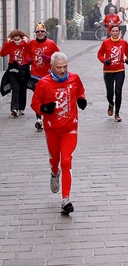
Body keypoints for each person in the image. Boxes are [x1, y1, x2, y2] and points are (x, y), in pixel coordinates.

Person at [30, 52, 87, 214]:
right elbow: (35, 103)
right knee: (55, 160)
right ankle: (54, 173)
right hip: (52, 129)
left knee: (66, 160)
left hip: (70, 128)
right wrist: (44, 109)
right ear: (51, 68)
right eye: (59, 68)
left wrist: (81, 99)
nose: (62, 71)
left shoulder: (74, 78)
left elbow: (81, 91)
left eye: (65, 67)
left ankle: (65, 200)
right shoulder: (43, 83)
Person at [27, 22, 60, 130]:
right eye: (38, 32)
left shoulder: (51, 43)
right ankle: (39, 120)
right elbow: (26, 52)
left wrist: (50, 58)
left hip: (47, 76)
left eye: (42, 31)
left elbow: (58, 56)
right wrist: (28, 59)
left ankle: (50, 116)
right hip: (35, 76)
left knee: (48, 98)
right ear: (35, 33)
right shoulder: (31, 43)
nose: (40, 33)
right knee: (38, 98)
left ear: (45, 33)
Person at [97, 25, 128, 122]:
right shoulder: (106, 42)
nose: (115, 33)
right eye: (113, 31)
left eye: (117, 31)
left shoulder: (123, 43)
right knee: (110, 92)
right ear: (110, 32)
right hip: (108, 70)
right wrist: (104, 60)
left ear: (119, 32)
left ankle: (117, 113)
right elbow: (100, 54)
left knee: (118, 91)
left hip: (120, 70)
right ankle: (111, 103)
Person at [0, 29, 30, 118]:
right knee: (15, 88)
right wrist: (7, 43)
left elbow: (31, 50)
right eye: (15, 40)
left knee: (23, 88)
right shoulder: (10, 45)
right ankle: (14, 108)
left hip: (23, 69)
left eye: (18, 39)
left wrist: (27, 42)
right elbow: (2, 54)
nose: (17, 42)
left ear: (22, 38)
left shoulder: (25, 44)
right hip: (13, 69)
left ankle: (21, 108)